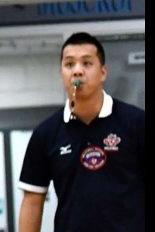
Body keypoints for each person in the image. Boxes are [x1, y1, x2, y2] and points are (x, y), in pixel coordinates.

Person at [17, 32, 145, 232]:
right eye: (69, 64)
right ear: (61, 73)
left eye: (87, 63)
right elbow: (32, 200)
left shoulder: (136, 122)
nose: (77, 71)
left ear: (103, 72)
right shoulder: (46, 133)